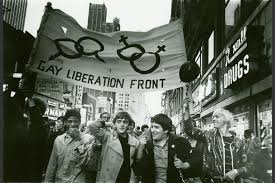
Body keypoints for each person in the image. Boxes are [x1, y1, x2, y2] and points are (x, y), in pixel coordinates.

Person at [185, 106, 250, 183]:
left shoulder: (238, 142)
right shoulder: (208, 136)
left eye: (217, 116)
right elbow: (190, 131)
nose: (213, 119)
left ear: (226, 120)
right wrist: (186, 110)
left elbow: (249, 165)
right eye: (213, 117)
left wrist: (236, 172)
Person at [135, 113, 194, 183]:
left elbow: (195, 158)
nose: (152, 130)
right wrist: (140, 148)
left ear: (166, 130)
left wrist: (184, 165)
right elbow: (138, 169)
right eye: (152, 127)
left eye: (156, 127)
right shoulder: (147, 145)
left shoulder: (180, 142)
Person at [88, 111, 140, 183]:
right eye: (119, 122)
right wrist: (107, 123)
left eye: (125, 122)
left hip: (125, 178)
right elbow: (92, 126)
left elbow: (136, 162)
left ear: (128, 124)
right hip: (108, 178)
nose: (122, 125)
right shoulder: (107, 137)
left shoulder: (135, 142)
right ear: (115, 123)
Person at [45, 109, 94, 183]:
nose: (73, 124)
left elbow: (86, 163)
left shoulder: (88, 139)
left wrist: (78, 139)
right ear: (65, 123)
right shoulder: (59, 140)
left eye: (76, 121)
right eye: (70, 121)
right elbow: (52, 165)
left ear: (80, 122)